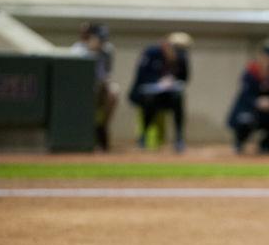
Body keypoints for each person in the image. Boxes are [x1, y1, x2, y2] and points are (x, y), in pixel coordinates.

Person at [129, 32, 192, 152]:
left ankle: (179, 138)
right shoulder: (151, 53)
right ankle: (143, 136)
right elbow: (141, 76)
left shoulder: (181, 57)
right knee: (150, 101)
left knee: (178, 98)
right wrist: (159, 82)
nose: (179, 52)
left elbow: (184, 78)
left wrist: (172, 81)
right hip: (146, 94)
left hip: (168, 95)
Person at [227, 41, 269, 153]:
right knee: (245, 121)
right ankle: (239, 142)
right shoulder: (251, 72)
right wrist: (257, 101)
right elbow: (245, 96)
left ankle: (267, 144)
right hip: (249, 110)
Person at [71, 22, 119, 151]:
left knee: (114, 92)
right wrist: (91, 51)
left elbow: (107, 72)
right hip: (81, 89)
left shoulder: (108, 50)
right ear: (90, 37)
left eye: (104, 38)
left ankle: (101, 126)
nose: (102, 41)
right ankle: (90, 130)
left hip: (101, 85)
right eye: (99, 38)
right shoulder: (78, 50)